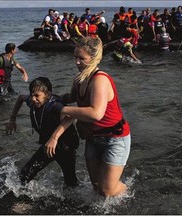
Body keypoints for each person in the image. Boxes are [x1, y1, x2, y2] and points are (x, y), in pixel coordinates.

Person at [45, 37, 131, 197]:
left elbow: (96, 113)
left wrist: (64, 109)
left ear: (93, 58)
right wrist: (49, 99)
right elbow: (71, 97)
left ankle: (128, 193)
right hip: (93, 138)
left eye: (81, 58)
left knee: (108, 190)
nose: (77, 62)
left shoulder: (100, 80)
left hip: (115, 138)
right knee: (97, 186)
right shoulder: (78, 79)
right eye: (75, 57)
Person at [6, 77, 79, 186]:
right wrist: (12, 120)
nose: (33, 99)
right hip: (48, 145)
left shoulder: (55, 106)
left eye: (37, 96)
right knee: (26, 173)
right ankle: (21, 199)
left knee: (70, 182)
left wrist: (54, 137)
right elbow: (21, 98)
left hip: (65, 146)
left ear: (48, 95)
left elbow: (73, 114)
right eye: (32, 95)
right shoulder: (33, 102)